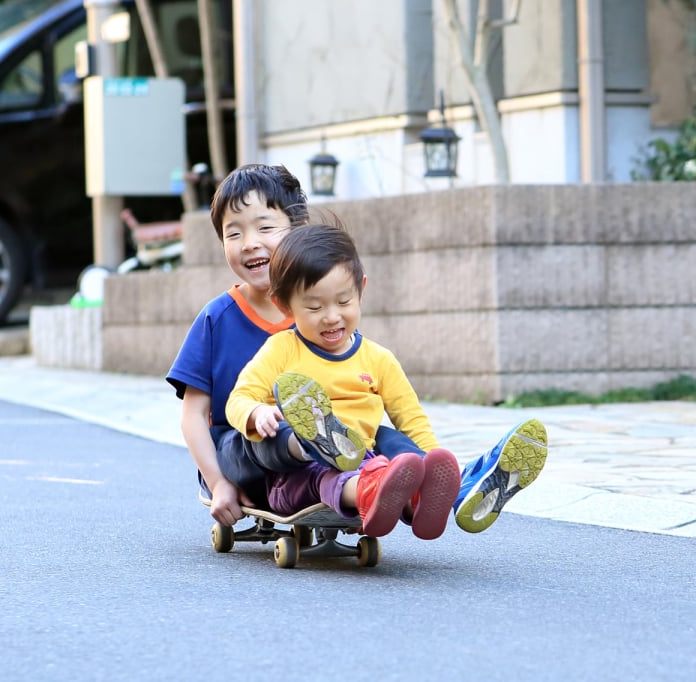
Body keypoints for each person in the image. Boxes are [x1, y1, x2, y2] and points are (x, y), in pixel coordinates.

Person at [226, 223, 549, 538]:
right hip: (296, 472)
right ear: (285, 305)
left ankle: (443, 492)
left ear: (361, 290)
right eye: (314, 306)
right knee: (320, 466)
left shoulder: (378, 358)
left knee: (398, 446)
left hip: (365, 458)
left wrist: (437, 466)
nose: (332, 316)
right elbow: (238, 400)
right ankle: (353, 472)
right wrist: (256, 413)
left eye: (343, 301)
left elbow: (411, 418)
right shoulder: (282, 349)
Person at [167, 165, 427, 529]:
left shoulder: (319, 312)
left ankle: (421, 489)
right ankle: (311, 444)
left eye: (265, 227)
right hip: (244, 451)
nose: (249, 242)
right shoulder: (216, 319)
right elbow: (193, 416)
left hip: (332, 450)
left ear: (297, 229)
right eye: (233, 233)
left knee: (377, 433)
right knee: (273, 431)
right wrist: (218, 483)